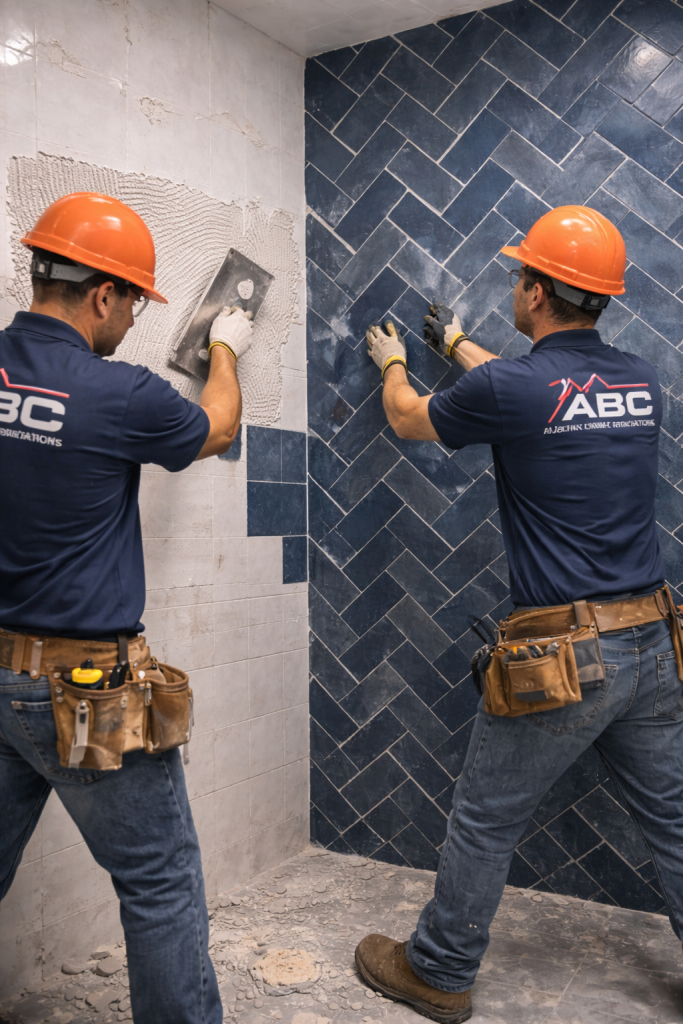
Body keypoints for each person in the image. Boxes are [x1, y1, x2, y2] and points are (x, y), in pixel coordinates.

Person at [356, 206, 683, 1024]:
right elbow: (544, 394)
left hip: (565, 657)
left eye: (518, 276)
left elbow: (409, 418)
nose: (514, 285)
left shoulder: (509, 387)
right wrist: (457, 345)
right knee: (674, 819)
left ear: (536, 293)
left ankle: (435, 969)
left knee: (483, 815)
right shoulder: (637, 382)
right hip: (651, 642)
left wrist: (397, 362)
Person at [0, 192, 252, 1024]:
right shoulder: (118, 391)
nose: (136, 321)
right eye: (135, 301)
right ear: (102, 293)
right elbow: (215, 430)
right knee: (160, 881)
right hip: (86, 692)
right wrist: (225, 348)